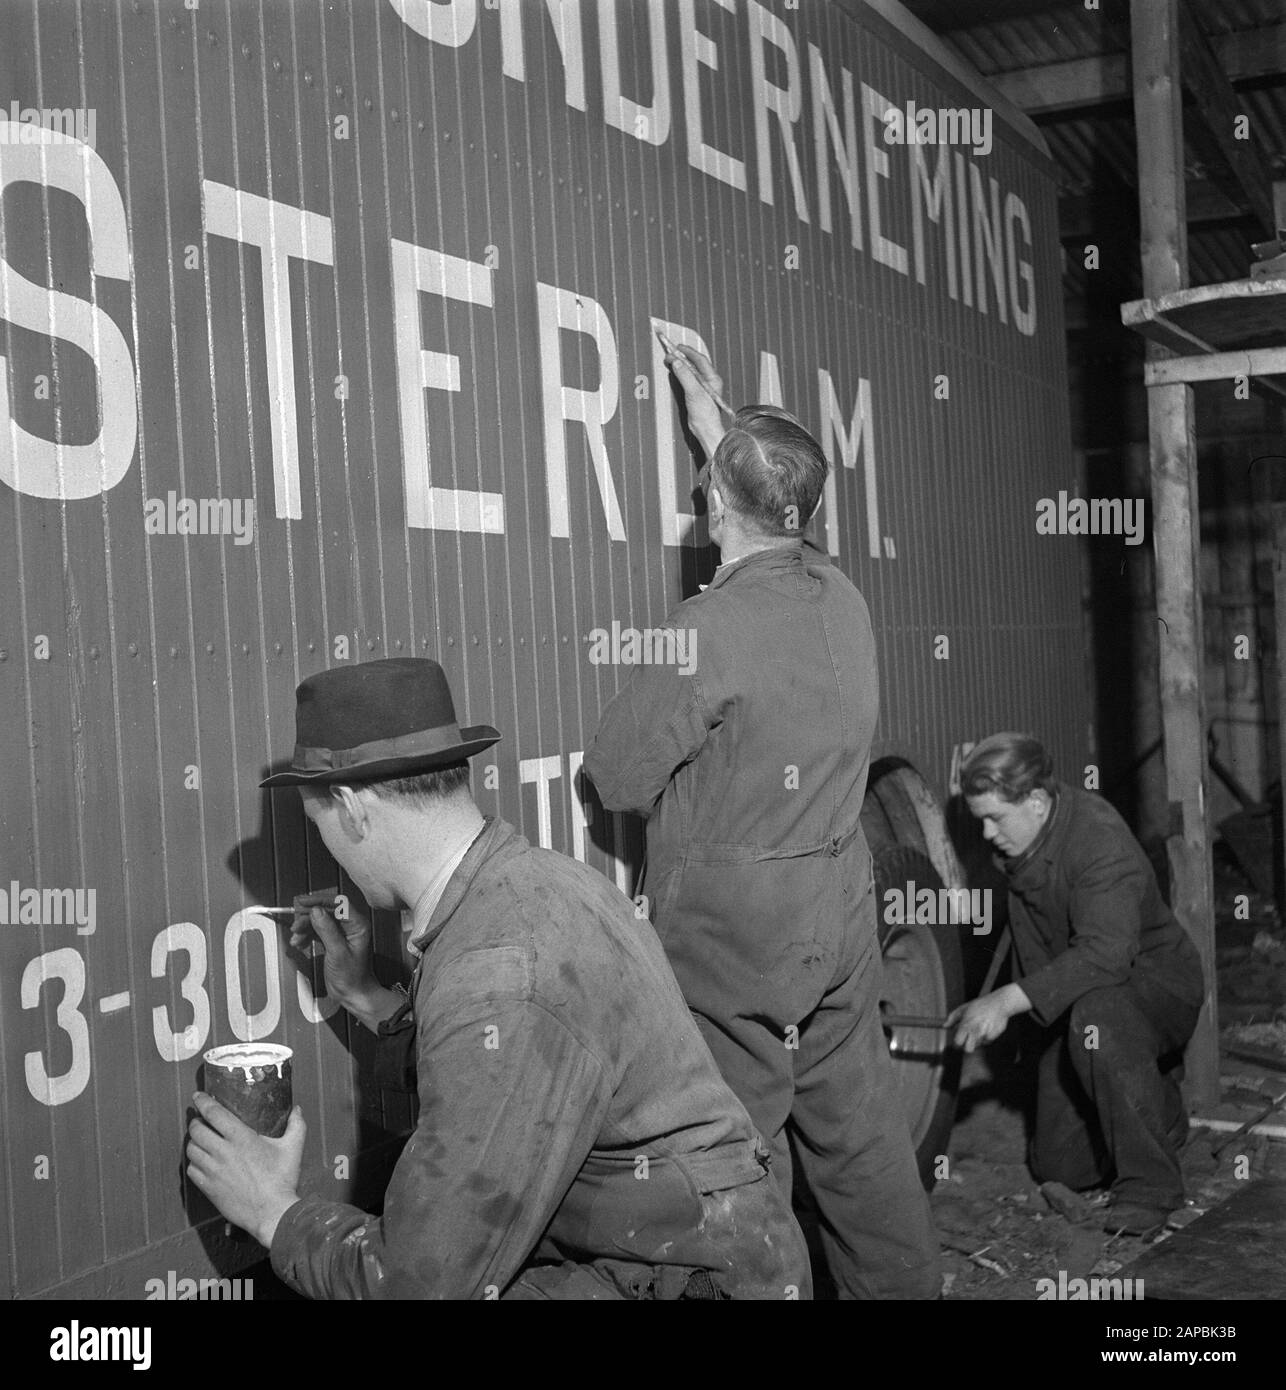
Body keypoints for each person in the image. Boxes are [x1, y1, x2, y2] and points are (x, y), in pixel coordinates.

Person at [185, 658, 812, 1299]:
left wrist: (272, 1212)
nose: (329, 849)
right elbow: (517, 1073)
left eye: (318, 825)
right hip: (703, 1254)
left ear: (350, 808)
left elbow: (418, 1286)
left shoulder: (502, 971)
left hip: (692, 1279)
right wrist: (366, 998)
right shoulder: (536, 882)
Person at [583, 349, 941, 1299]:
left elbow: (617, 775)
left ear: (711, 511)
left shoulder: (709, 630)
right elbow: (768, 493)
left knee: (739, 1150)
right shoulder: (845, 600)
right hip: (839, 908)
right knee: (858, 1136)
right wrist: (720, 426)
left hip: (738, 934)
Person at [949, 732, 1205, 1238]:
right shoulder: (1031, 838)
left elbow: (1105, 956)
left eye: (994, 818)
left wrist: (1005, 1001)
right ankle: (1162, 1113)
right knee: (1060, 1166)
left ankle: (1151, 1188)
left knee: (1099, 1020)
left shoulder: (1098, 841)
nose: (985, 833)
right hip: (1081, 997)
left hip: (1153, 985)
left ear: (1038, 802)